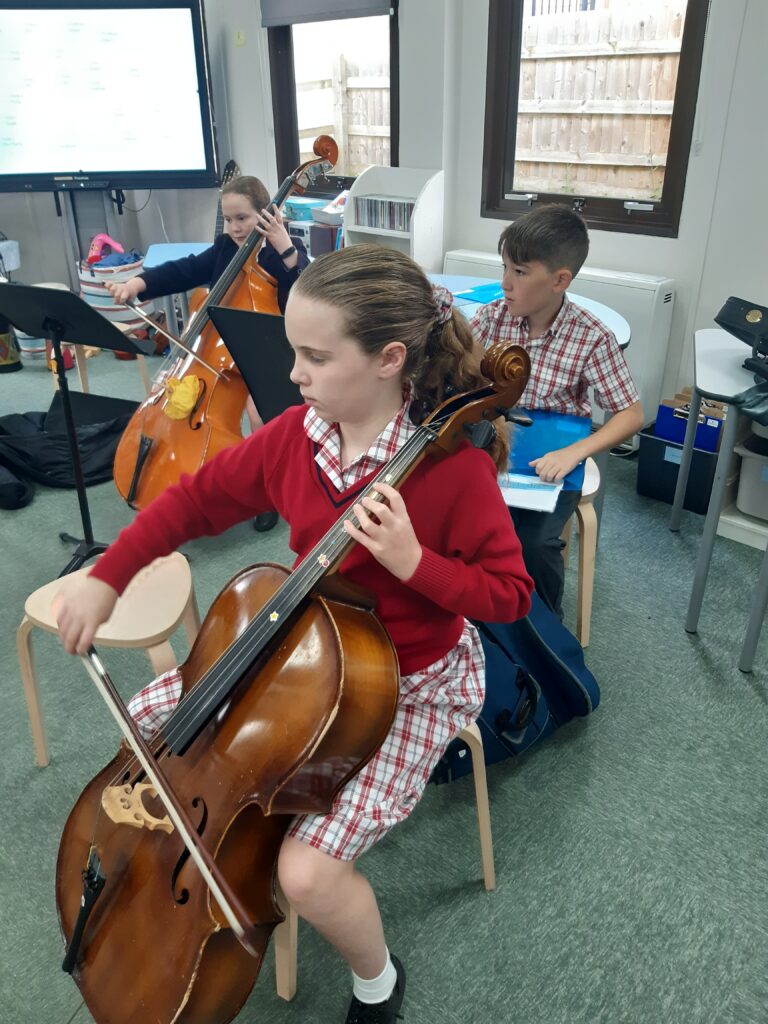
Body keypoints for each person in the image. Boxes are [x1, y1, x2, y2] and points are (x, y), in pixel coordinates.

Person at [55, 244, 534, 1024]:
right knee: (151, 730)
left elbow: (511, 596)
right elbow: (194, 501)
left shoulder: (453, 472)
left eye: (314, 356)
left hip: (405, 686)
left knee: (307, 873)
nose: (296, 375)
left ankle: (378, 980)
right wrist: (109, 575)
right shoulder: (296, 436)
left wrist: (415, 563)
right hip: (292, 650)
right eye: (293, 353)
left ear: (388, 359)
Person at [107, 174, 310, 532]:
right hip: (215, 353)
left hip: (270, 348)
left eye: (242, 218)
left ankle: (266, 491)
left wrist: (285, 248)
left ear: (266, 213)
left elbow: (303, 295)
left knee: (260, 416)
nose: (234, 227)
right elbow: (185, 269)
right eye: (229, 219)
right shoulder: (224, 249)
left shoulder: (284, 252)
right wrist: (138, 283)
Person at [471, 204, 644, 618]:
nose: (505, 283)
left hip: (552, 452)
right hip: (491, 442)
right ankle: (473, 616)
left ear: (560, 280)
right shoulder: (491, 317)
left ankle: (542, 628)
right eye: (505, 268)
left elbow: (631, 414)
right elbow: (461, 378)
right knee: (459, 523)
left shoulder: (591, 336)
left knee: (533, 544)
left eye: (520, 272)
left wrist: (575, 452)